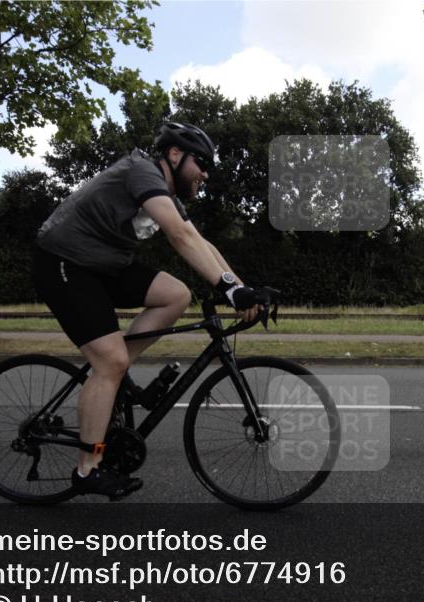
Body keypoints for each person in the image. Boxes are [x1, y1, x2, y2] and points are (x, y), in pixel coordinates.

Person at [32, 122, 264, 498]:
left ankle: (114, 376)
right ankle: (87, 468)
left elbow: (199, 241)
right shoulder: (141, 171)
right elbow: (180, 236)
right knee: (109, 362)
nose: (205, 174)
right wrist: (229, 290)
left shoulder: (165, 193)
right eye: (202, 164)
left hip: (103, 265)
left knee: (175, 295)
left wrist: (241, 289)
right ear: (175, 155)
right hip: (64, 262)